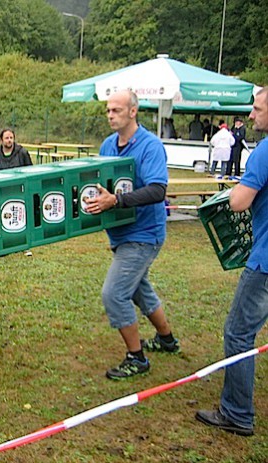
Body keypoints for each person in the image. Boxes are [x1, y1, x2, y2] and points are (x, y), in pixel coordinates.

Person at [85, 90, 179, 380]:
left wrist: (117, 201)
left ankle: (136, 359)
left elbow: (157, 190)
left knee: (114, 293)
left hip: (144, 234)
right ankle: (166, 340)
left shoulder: (150, 146)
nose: (111, 115)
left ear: (133, 111)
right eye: (108, 110)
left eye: (116, 110)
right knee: (139, 289)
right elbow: (102, 184)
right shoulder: (108, 145)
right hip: (120, 233)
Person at [195, 87, 268, 437]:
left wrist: (239, 189)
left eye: (257, 109)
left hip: (265, 263)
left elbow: (238, 202)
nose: (251, 116)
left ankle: (237, 413)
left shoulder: (265, 151)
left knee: (238, 334)